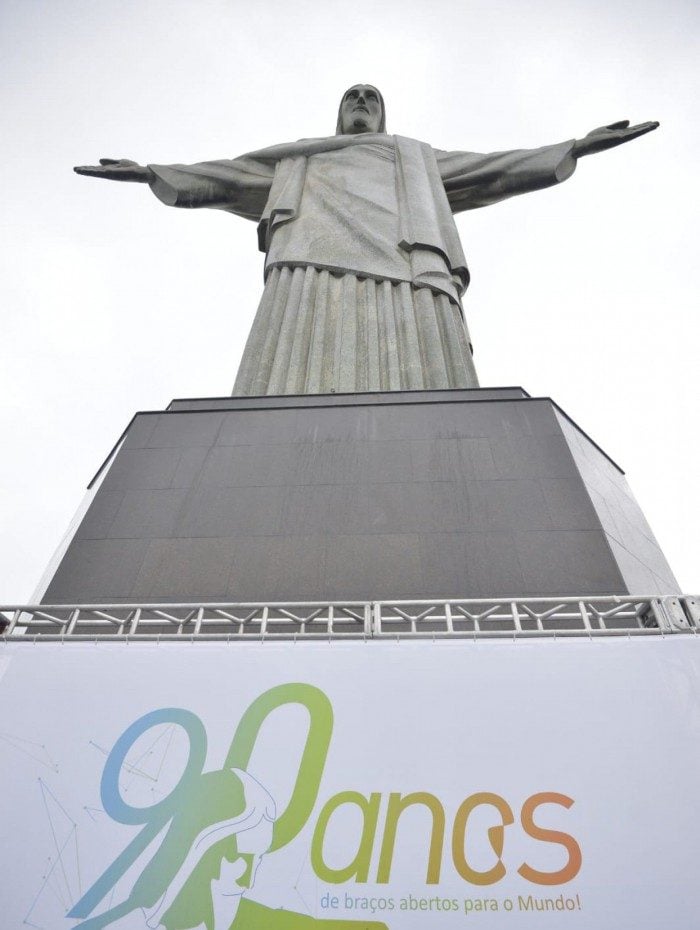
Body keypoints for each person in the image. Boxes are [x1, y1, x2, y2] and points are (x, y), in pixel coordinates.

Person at [75, 85, 657, 396]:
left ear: (381, 114)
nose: (360, 102)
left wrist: (574, 147)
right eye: (351, 96)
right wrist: (153, 172)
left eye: (370, 97)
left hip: (410, 264)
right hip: (306, 262)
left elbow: (492, 169)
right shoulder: (300, 159)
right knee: (293, 363)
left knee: (427, 367)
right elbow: (227, 176)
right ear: (337, 114)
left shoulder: (414, 159)